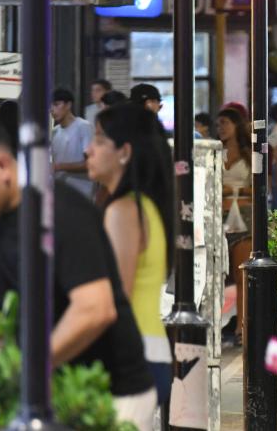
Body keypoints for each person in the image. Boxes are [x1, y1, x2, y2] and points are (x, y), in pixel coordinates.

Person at [0, 116, 156, 427]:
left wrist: (26, 371)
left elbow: (95, 309)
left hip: (113, 395)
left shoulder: (59, 212)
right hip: (47, 392)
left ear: (1, 165)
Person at [86, 103, 175, 405]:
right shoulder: (145, 206)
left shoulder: (124, 211)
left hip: (131, 356)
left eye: (99, 140)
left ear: (124, 151)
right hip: (148, 350)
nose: (88, 150)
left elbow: (115, 299)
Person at [216, 107, 252, 346]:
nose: (221, 128)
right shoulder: (215, 153)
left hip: (245, 216)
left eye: (226, 123)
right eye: (218, 124)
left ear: (237, 125)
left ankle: (241, 326)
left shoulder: (249, 154)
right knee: (217, 275)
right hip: (220, 216)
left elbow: (259, 188)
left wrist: (230, 190)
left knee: (241, 276)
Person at [50, 88, 95, 198]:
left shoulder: (83, 127)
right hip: (61, 193)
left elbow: (90, 163)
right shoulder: (55, 132)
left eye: (56, 104)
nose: (52, 110)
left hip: (82, 194)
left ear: (68, 105)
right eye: (50, 106)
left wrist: (58, 167)